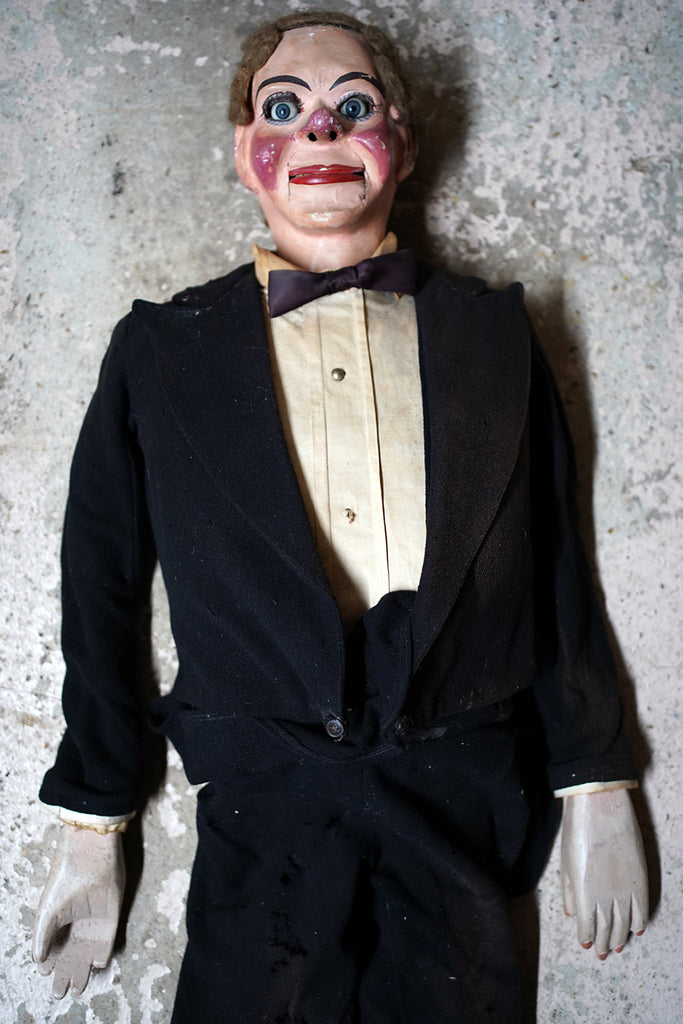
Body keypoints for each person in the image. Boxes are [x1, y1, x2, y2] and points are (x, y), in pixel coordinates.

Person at [32, 10, 648, 1022]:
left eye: (352, 106)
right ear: (244, 150)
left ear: (400, 138)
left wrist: (594, 778)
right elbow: (97, 584)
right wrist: (93, 819)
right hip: (262, 791)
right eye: (284, 109)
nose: (320, 129)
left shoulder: (492, 336)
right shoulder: (162, 350)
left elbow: (557, 565)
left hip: (462, 778)